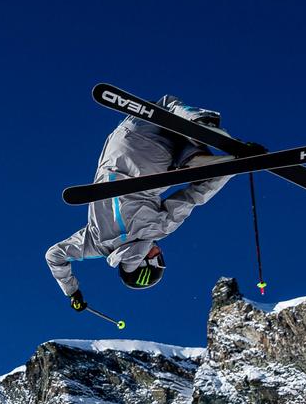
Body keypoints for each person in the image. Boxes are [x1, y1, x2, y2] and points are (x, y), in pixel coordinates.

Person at [45, 96, 235, 311]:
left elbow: (194, 197)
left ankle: (197, 131)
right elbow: (54, 256)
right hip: (123, 139)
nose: (160, 253)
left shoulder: (157, 230)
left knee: (167, 106)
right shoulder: (95, 244)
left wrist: (233, 168)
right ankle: (193, 157)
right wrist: (72, 292)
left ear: (146, 264)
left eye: (159, 260)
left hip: (155, 157)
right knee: (165, 115)